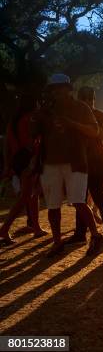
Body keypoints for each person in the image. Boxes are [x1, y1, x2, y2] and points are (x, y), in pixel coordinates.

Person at [32, 74, 103, 257]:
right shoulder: (46, 110)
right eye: (54, 89)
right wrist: (37, 117)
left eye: (61, 88)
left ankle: (96, 235)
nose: (58, 92)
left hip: (75, 162)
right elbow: (35, 136)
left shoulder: (81, 107)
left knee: (79, 201)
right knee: (53, 205)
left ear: (68, 89)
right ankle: (57, 242)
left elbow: (94, 131)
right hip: (50, 162)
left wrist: (71, 123)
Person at [65, 87, 103, 245]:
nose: (88, 102)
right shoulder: (75, 115)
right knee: (79, 199)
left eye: (90, 99)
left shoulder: (101, 115)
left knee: (98, 197)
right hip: (79, 161)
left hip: (95, 162)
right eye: (85, 99)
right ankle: (80, 233)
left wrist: (93, 128)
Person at [0, 94, 47, 245]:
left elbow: (7, 145)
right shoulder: (30, 119)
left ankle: (36, 227)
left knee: (32, 195)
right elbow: (33, 142)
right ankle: (4, 228)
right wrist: (34, 160)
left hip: (17, 160)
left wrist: (8, 165)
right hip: (28, 160)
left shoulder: (13, 121)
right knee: (26, 196)